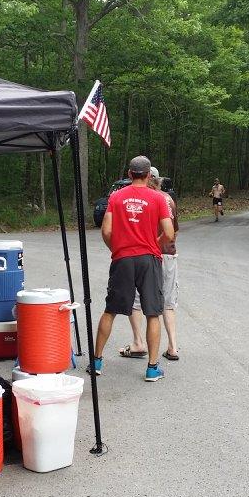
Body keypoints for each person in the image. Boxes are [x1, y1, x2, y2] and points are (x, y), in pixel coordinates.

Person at [91, 156, 175, 382]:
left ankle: (97, 362)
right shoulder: (158, 198)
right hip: (149, 259)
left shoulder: (116, 197)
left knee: (110, 310)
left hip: (123, 259)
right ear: (149, 176)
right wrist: (154, 244)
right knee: (153, 313)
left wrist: (116, 248)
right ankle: (152, 369)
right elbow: (169, 233)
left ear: (129, 174)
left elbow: (106, 230)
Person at [122, 166, 180, 361]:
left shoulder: (143, 199)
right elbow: (174, 231)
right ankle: (172, 347)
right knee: (168, 302)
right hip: (169, 254)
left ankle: (138, 342)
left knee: (136, 299)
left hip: (146, 254)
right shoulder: (169, 199)